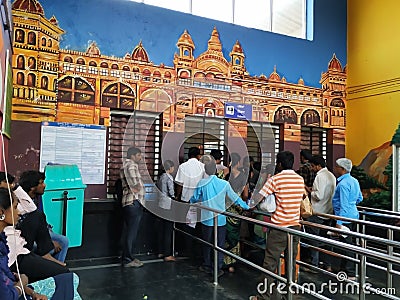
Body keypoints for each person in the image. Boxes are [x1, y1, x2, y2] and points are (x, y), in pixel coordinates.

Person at [249, 151, 304, 300]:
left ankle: (265, 296)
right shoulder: (300, 180)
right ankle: (290, 294)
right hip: (295, 227)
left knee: (270, 262)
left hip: (279, 227)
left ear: (279, 164)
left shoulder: (276, 179)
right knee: (291, 262)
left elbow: (259, 197)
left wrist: (250, 207)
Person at [190, 156, 249, 278]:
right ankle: (218, 267)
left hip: (207, 219)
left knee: (206, 242)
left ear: (205, 171)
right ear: (216, 171)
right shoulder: (224, 184)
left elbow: (194, 198)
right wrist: (246, 207)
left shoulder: (201, 183)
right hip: (221, 219)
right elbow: (235, 199)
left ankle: (206, 265)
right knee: (220, 244)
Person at [0, 188, 47, 299]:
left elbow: (7, 277)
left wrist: (33, 293)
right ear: (1, 212)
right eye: (15, 207)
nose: (19, 212)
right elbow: (7, 296)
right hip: (13, 292)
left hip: (14, 286)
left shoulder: (2, 240)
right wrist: (22, 282)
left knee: (71, 279)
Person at [17, 171, 69, 264]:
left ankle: (56, 270)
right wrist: (48, 242)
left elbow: (42, 221)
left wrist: (49, 236)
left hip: (41, 232)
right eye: (41, 183)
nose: (44, 185)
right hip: (26, 235)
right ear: (32, 187)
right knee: (41, 246)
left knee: (63, 241)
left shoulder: (38, 198)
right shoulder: (19, 202)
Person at [302, 155, 336, 273]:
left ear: (318, 166)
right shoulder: (331, 175)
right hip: (329, 212)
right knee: (326, 240)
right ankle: (328, 265)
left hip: (318, 211)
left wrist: (309, 190)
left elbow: (318, 195)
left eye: (312, 166)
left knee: (314, 239)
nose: (311, 168)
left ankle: (314, 265)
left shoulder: (319, 176)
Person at [332, 157, 363, 279]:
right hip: (354, 215)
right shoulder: (354, 181)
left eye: (337, 167)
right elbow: (360, 198)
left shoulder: (343, 184)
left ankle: (349, 272)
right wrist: (352, 206)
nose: (335, 168)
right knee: (349, 244)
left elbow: (343, 205)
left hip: (344, 218)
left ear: (342, 169)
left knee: (346, 245)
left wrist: (339, 223)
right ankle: (346, 269)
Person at [175, 147, 205, 255]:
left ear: (189, 155)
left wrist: (178, 196)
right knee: (199, 226)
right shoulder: (202, 167)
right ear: (198, 156)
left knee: (186, 225)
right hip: (199, 202)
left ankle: (187, 249)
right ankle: (198, 249)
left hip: (185, 200)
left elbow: (179, 184)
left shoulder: (183, 166)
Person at [120, 146, 145, 267]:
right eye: (139, 155)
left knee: (128, 231)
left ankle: (127, 256)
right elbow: (136, 183)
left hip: (127, 202)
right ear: (133, 155)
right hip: (133, 201)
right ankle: (128, 259)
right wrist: (138, 187)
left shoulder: (124, 165)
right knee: (131, 232)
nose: (140, 157)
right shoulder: (132, 166)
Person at [223, 153, 248, 273]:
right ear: (238, 163)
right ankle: (232, 263)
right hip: (237, 210)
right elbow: (246, 195)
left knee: (225, 235)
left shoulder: (226, 177)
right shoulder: (243, 177)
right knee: (235, 236)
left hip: (226, 209)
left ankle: (223, 261)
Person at [155, 160, 176, 262]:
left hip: (160, 204)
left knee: (161, 229)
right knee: (168, 229)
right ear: (170, 168)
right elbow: (171, 192)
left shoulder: (160, 177)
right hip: (168, 204)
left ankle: (161, 251)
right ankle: (167, 254)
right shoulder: (169, 177)